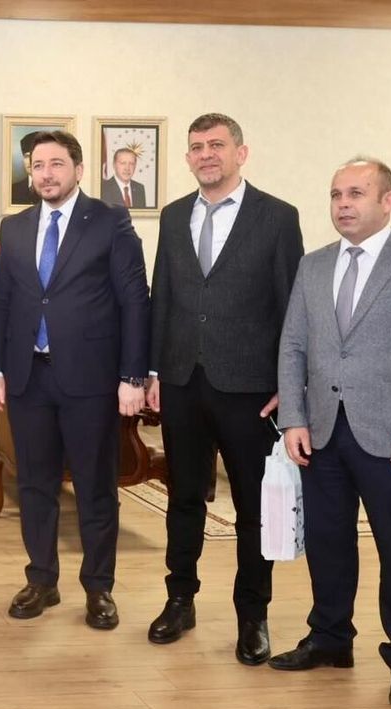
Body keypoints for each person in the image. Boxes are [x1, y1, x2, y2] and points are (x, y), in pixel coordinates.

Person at [273, 157, 391, 709]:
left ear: (387, 200)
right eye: (336, 195)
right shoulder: (313, 265)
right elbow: (293, 346)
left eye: (356, 193)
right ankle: (331, 638)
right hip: (323, 432)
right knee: (328, 543)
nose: (343, 204)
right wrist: (295, 417)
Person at [144, 113, 304, 664]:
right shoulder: (173, 216)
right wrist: (153, 371)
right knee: (184, 497)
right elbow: (162, 296)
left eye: (216, 144)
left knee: (253, 507)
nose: (206, 154)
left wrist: (290, 385)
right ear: (187, 158)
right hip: (182, 381)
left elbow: (293, 308)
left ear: (241, 152)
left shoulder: (277, 217)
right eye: (196, 147)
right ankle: (179, 599)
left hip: (250, 389)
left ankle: (252, 615)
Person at [0, 130, 150, 629]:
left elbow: (134, 300)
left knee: (96, 488)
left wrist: (133, 375)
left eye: (56, 164)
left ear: (78, 169)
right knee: (34, 484)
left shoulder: (110, 220)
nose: (46, 174)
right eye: (37, 165)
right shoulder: (14, 227)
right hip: (29, 378)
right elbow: (1, 302)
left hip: (92, 380)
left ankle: (99, 588)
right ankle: (41, 579)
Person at [11, 131, 41, 205]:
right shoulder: (13, 190)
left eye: (34, 156)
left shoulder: (54, 189)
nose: (30, 161)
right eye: (26, 156)